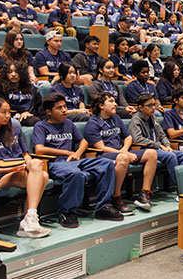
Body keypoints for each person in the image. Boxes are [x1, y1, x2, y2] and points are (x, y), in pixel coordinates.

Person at [33, 93, 123, 227]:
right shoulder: (41, 126)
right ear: (49, 112)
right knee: (76, 174)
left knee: (107, 164)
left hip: (75, 161)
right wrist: (67, 152)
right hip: (55, 164)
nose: (64, 110)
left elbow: (84, 141)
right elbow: (39, 149)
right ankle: (66, 211)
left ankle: (103, 206)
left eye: (65, 107)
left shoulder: (68, 123)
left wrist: (78, 153)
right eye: (59, 108)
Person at [0, 98, 51, 238]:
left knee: (39, 168)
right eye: (3, 112)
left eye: (9, 112)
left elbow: (26, 155)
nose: (8, 115)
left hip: (19, 169)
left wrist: (28, 165)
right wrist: (8, 170)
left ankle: (30, 217)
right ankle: (28, 220)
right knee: (42, 175)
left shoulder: (14, 130)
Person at [84, 92, 161, 214]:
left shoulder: (116, 118)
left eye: (114, 101)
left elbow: (128, 137)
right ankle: (116, 198)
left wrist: (124, 149)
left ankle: (144, 193)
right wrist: (123, 153)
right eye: (110, 101)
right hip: (103, 156)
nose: (115, 104)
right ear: (101, 106)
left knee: (151, 153)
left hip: (121, 152)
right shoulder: (92, 123)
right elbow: (101, 147)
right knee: (123, 158)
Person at [128, 93, 183, 197]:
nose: (153, 108)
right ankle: (181, 190)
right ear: (140, 107)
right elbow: (138, 139)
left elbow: (162, 135)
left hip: (160, 148)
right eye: (149, 105)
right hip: (147, 150)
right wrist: (159, 146)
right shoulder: (136, 119)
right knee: (171, 156)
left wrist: (168, 145)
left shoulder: (153, 118)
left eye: (154, 105)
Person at [0, 61, 40, 126]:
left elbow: (38, 105)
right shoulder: (0, 87)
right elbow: (3, 104)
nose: (13, 74)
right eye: (10, 72)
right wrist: (23, 111)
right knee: (34, 121)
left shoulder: (31, 87)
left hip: (30, 114)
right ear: (5, 74)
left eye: (17, 72)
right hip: (10, 115)